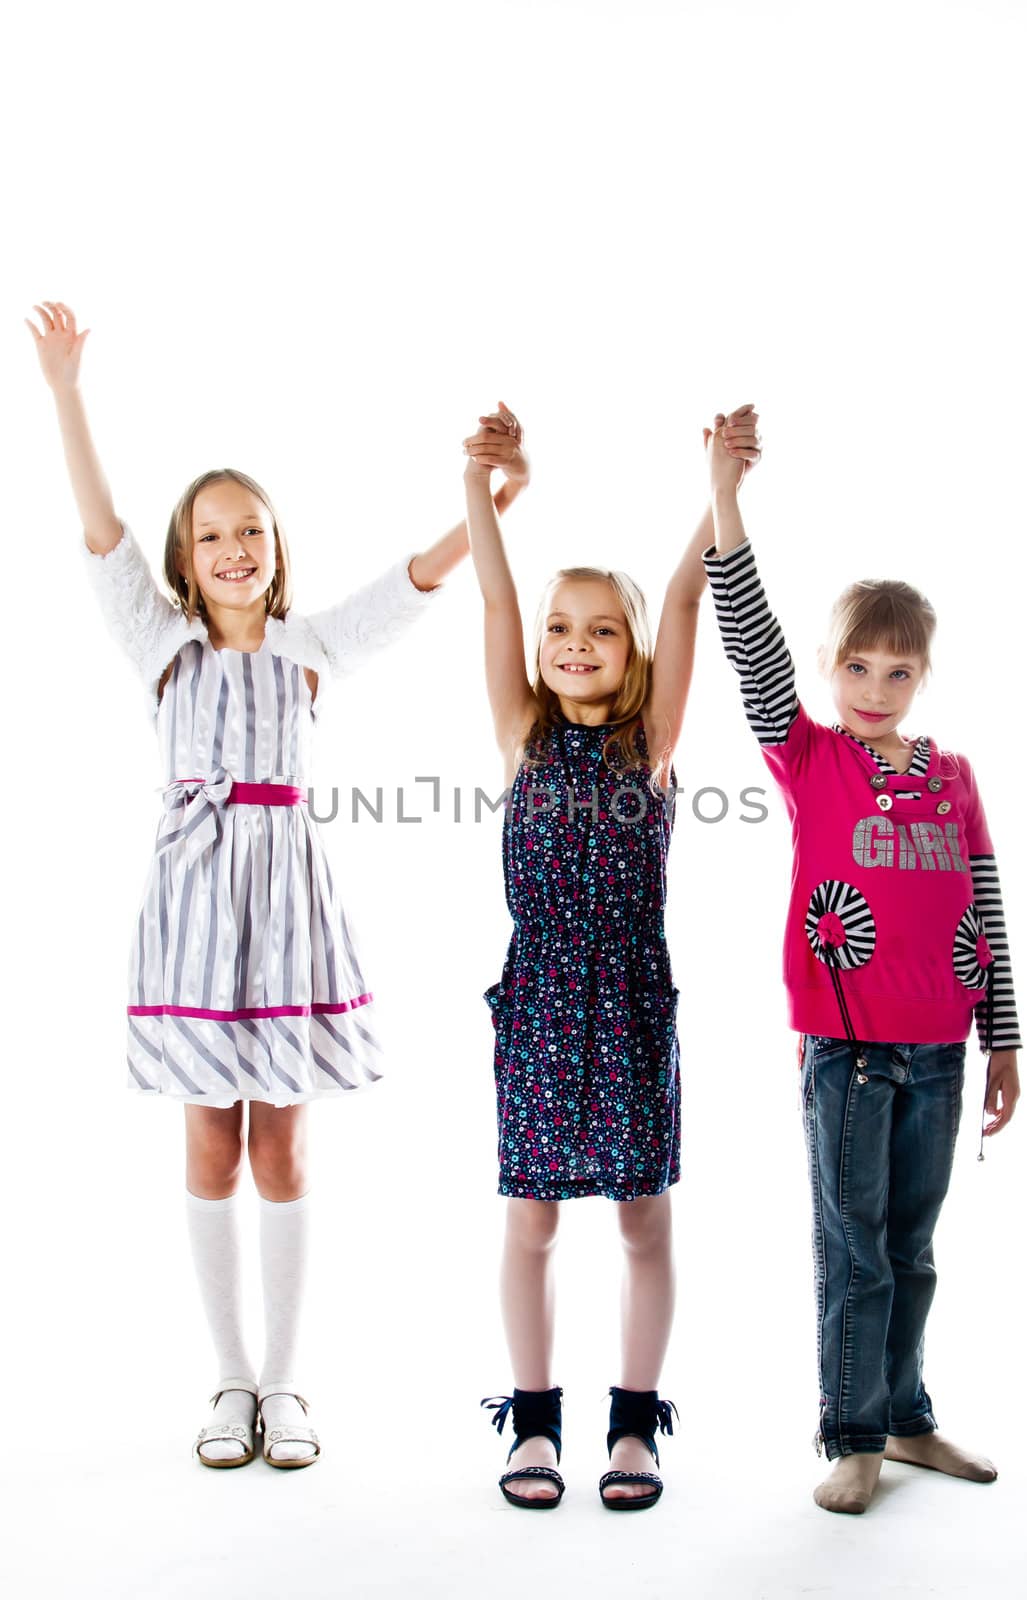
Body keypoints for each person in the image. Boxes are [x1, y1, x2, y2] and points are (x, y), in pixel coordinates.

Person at [27, 300, 529, 1469]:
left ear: (277, 547)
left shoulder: (310, 650)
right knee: (210, 1142)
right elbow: (98, 530)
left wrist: (490, 501)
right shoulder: (162, 647)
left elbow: (412, 585)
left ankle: (289, 1385)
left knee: (285, 1150)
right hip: (196, 920)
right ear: (184, 561)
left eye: (250, 529)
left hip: (290, 911)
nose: (234, 548)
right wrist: (65, 391)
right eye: (210, 536)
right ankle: (228, 1381)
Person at [702, 416, 1021, 1514]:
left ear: (921, 675)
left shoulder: (954, 777)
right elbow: (746, 632)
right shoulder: (810, 759)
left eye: (896, 670)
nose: (873, 686)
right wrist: (723, 492)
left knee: (913, 1249)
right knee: (855, 1256)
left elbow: (983, 907)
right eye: (854, 665)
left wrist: (1005, 1040)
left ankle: (904, 1415)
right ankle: (850, 1436)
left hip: (938, 1054)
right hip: (846, 1053)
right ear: (828, 669)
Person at [467, 402, 761, 1510]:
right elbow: (494, 594)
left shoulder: (653, 745)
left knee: (643, 1218)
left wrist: (720, 484)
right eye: (560, 627)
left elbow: (686, 592)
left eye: (598, 628)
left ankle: (632, 1424)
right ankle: (531, 1421)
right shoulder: (517, 733)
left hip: (631, 999)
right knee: (530, 1219)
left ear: (630, 649)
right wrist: (477, 480)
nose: (573, 644)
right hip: (539, 999)